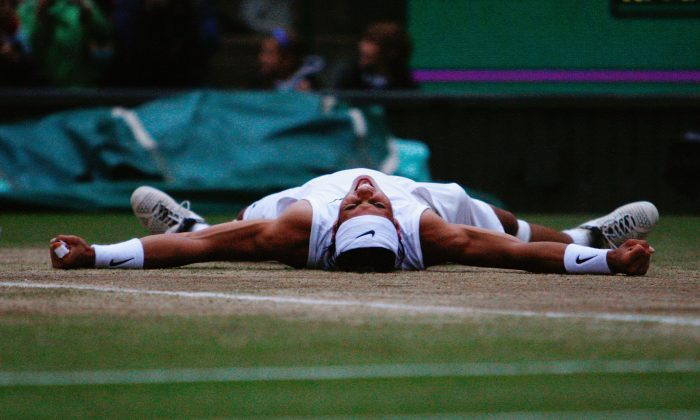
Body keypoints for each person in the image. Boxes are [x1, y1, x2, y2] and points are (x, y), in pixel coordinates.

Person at [51, 168, 657, 275]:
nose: (365, 194)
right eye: (366, 206)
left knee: (229, 230)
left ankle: (183, 222)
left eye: (361, 206)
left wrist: (95, 254)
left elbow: (207, 250)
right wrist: (609, 263)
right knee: (498, 225)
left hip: (302, 201)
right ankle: (591, 237)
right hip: (418, 197)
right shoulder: (426, 230)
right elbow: (515, 254)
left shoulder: (301, 226)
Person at [333, 21, 418, 91]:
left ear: (391, 51)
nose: (363, 47)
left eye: (372, 42)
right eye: (365, 41)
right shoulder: (350, 77)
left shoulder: (406, 83)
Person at [247, 26, 323, 92]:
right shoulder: (260, 84)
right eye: (262, 52)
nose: (262, 59)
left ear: (288, 59)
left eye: (270, 54)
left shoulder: (308, 89)